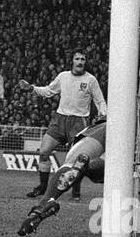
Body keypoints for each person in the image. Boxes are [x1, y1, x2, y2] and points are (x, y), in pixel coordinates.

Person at [18, 49, 140, 237]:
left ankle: (42, 205)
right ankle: (86, 166)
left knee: (70, 163)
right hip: (126, 147)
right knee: (98, 171)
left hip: (108, 126)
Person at [19, 50, 108, 201]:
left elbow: (99, 100)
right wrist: (31, 88)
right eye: (77, 59)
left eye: (82, 59)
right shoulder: (63, 76)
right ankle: (43, 187)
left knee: (78, 159)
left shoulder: (90, 80)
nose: (80, 62)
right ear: (72, 61)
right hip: (59, 120)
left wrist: (103, 114)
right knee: (44, 152)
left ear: (85, 62)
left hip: (79, 122)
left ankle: (76, 193)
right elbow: (48, 91)